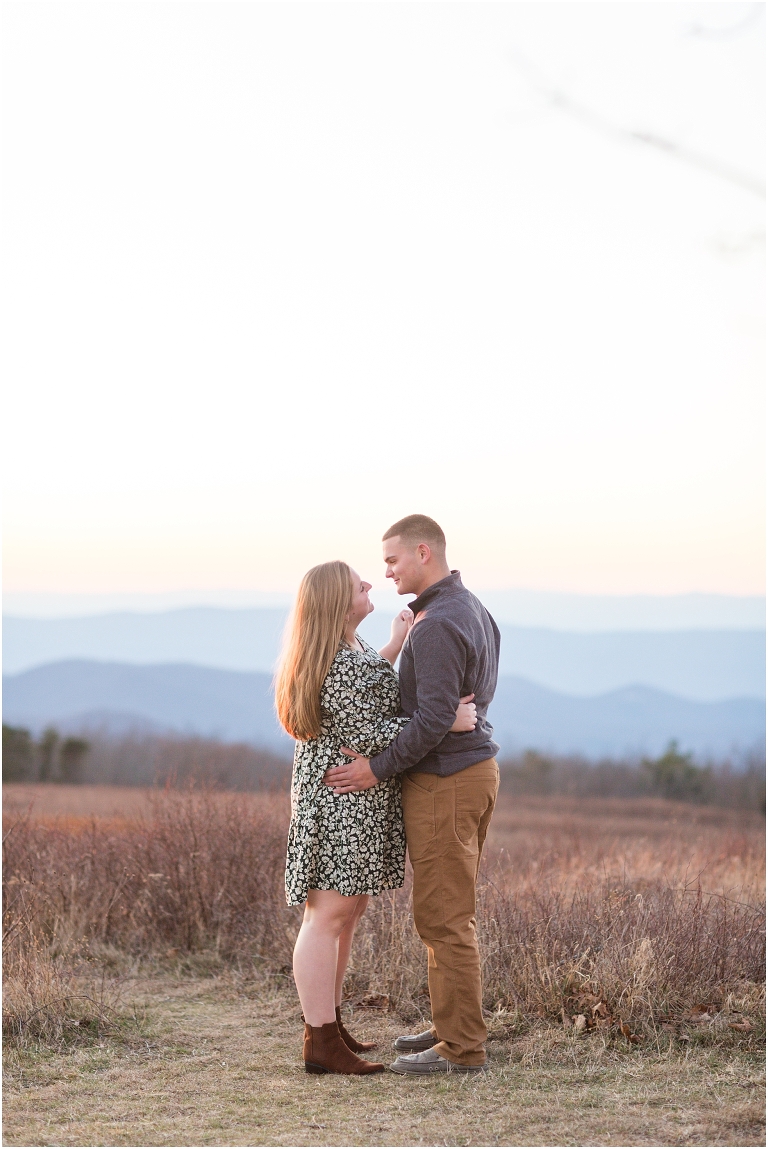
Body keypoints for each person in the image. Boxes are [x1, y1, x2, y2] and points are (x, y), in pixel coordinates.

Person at [275, 559, 478, 1076]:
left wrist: (393, 645)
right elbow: (368, 733)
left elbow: (367, 694)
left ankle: (330, 1024)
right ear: (335, 604)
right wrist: (443, 721)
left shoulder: (350, 651)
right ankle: (320, 1040)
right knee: (328, 916)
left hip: (353, 800)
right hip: (340, 800)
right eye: (357, 584)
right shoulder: (340, 664)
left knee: (346, 915)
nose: (370, 584)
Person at [323, 515, 501, 1075]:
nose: (386, 572)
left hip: (447, 781)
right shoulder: (468, 607)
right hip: (468, 772)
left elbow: (431, 720)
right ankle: (453, 1027)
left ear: (423, 552)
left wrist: (375, 768)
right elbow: (457, 707)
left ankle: (462, 1050)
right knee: (446, 912)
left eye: (393, 561)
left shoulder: (437, 624)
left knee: (444, 918)